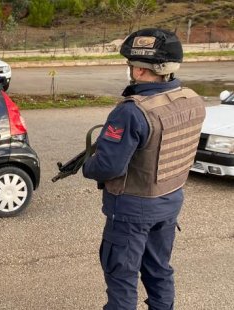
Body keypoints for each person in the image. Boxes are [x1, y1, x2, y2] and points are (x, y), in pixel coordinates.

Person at [82, 28, 206, 309]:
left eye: (130, 64)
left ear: (139, 71)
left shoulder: (132, 111)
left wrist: (88, 166)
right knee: (159, 270)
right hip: (170, 202)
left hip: (131, 210)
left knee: (122, 278)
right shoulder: (193, 99)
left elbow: (107, 166)